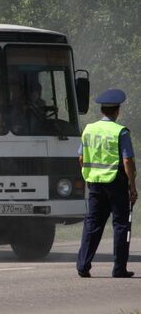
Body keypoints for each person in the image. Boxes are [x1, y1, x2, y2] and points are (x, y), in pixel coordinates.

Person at [76, 89, 137, 278]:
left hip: (94, 183)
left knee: (92, 224)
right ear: (117, 111)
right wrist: (132, 187)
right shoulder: (121, 131)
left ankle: (83, 266)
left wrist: (88, 176)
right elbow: (127, 161)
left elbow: (80, 157)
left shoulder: (89, 129)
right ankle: (119, 268)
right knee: (120, 225)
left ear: (102, 110)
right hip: (116, 182)